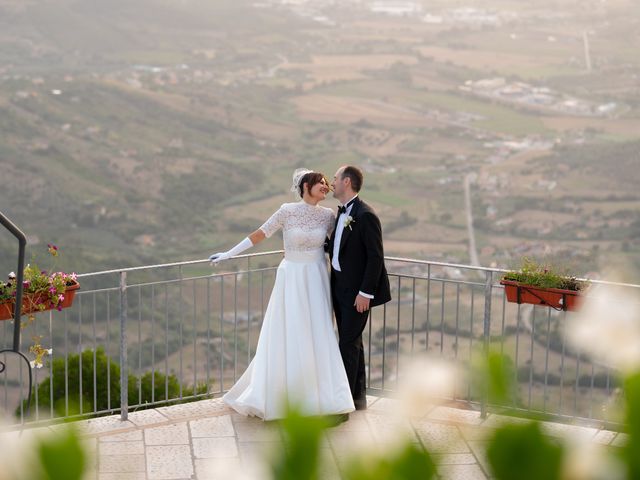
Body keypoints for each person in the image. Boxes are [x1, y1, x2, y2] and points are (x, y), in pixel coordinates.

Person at [209, 169, 355, 421]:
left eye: (325, 183)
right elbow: (259, 234)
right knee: (290, 331)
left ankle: (324, 398)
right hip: (292, 277)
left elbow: (342, 244)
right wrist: (229, 254)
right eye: (319, 182)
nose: (324, 185)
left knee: (318, 332)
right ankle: (285, 398)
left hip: (318, 277)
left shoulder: (328, 216)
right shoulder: (286, 211)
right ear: (305, 186)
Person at [328, 165, 391, 411]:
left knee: (346, 345)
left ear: (347, 182)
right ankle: (357, 399)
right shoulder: (342, 213)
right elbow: (338, 249)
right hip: (339, 288)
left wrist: (365, 293)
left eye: (335, 178)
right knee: (353, 343)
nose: (332, 181)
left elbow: (376, 257)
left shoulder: (365, 215)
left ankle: (340, 406)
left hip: (357, 294)